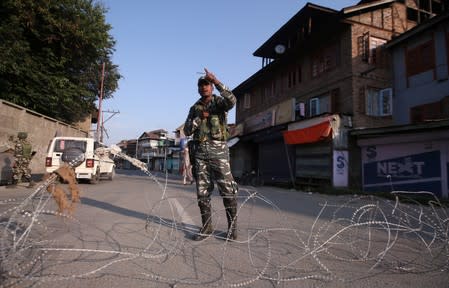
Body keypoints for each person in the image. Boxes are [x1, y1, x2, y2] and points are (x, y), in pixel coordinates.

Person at [183, 68, 239, 241]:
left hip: (219, 152)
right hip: (200, 154)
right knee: (202, 193)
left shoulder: (219, 103)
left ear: (211, 88)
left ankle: (232, 230)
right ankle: (207, 228)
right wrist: (200, 118)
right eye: (201, 86)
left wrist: (216, 80)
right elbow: (186, 130)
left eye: (207, 85)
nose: (204, 88)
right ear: (198, 89)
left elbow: (232, 100)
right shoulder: (194, 108)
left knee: (228, 190)